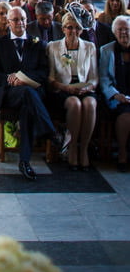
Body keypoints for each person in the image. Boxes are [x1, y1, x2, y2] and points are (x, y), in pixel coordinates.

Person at [0, 6, 55, 181]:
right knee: (26, 93)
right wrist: (11, 79)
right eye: (16, 20)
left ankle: (24, 161)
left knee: (27, 104)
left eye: (24, 19)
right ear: (9, 22)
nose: (21, 23)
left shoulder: (37, 43)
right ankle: (49, 131)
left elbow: (43, 72)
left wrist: (25, 79)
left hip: (31, 92)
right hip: (9, 93)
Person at [47, 9, 98, 170]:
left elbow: (94, 77)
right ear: (63, 29)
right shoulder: (53, 47)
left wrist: (88, 87)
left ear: (81, 30)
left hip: (84, 88)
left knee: (89, 103)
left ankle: (84, 149)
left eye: (77, 28)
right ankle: (72, 147)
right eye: (69, 27)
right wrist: (65, 87)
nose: (73, 31)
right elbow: (50, 78)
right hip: (62, 90)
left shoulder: (89, 47)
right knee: (75, 104)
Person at [99, 15, 130, 171]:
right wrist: (115, 94)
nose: (124, 33)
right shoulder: (107, 50)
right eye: (120, 30)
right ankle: (122, 154)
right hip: (117, 96)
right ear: (114, 32)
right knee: (125, 115)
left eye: (127, 29)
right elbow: (104, 79)